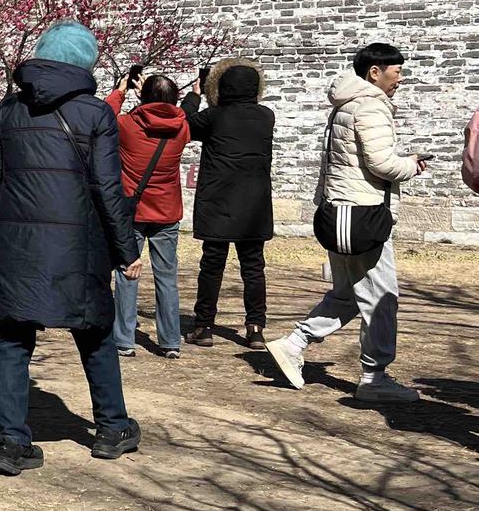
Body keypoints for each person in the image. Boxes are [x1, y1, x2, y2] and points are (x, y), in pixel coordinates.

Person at [0, 20, 144, 475]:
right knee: (94, 333)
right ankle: (112, 429)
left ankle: (11, 443)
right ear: (85, 63)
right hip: (77, 243)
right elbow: (109, 188)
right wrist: (127, 250)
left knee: (14, 338)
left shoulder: (6, 110)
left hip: (18, 244)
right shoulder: (95, 114)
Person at [267, 43, 429, 404]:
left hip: (341, 211)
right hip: (363, 214)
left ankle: (294, 344)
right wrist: (411, 164)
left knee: (347, 295)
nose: (399, 79)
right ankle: (375, 377)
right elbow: (382, 163)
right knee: (382, 298)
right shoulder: (370, 104)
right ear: (375, 72)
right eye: (396, 71)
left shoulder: (346, 103)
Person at [181, 59, 275, 349]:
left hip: (218, 201)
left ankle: (204, 326)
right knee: (253, 268)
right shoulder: (265, 116)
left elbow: (183, 125)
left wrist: (196, 95)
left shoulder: (214, 117)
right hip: (255, 204)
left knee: (211, 266)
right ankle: (255, 328)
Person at [106, 70, 191, 358]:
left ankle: (124, 339)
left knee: (127, 273)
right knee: (167, 277)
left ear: (143, 96)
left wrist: (122, 91)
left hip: (132, 210)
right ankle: (170, 342)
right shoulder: (182, 128)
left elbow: (104, 115)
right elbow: (180, 112)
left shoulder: (128, 125)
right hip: (167, 210)